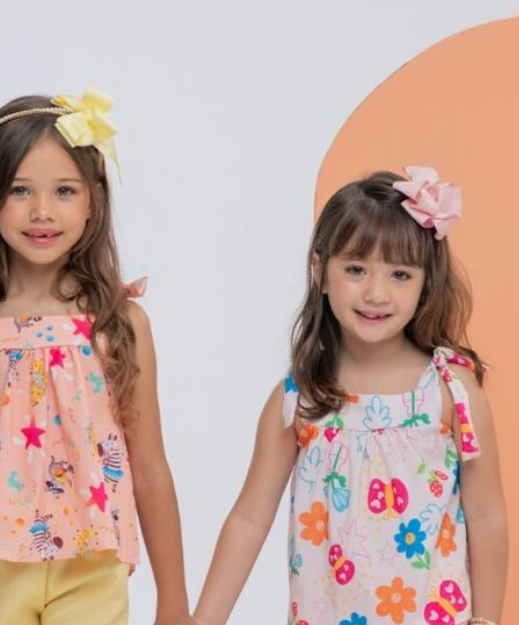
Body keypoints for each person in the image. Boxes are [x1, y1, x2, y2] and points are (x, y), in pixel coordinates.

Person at [0, 88, 193, 625]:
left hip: (91, 563)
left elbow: (150, 467)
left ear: (93, 202)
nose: (42, 211)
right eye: (19, 190)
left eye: (64, 190)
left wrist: (174, 603)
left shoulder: (119, 325)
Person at [193, 168, 508, 625]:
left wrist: (487, 620)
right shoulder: (300, 399)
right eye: (356, 269)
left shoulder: (452, 392)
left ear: (425, 284)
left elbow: (487, 517)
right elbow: (249, 518)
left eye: (400, 274)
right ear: (321, 271)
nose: (376, 293)